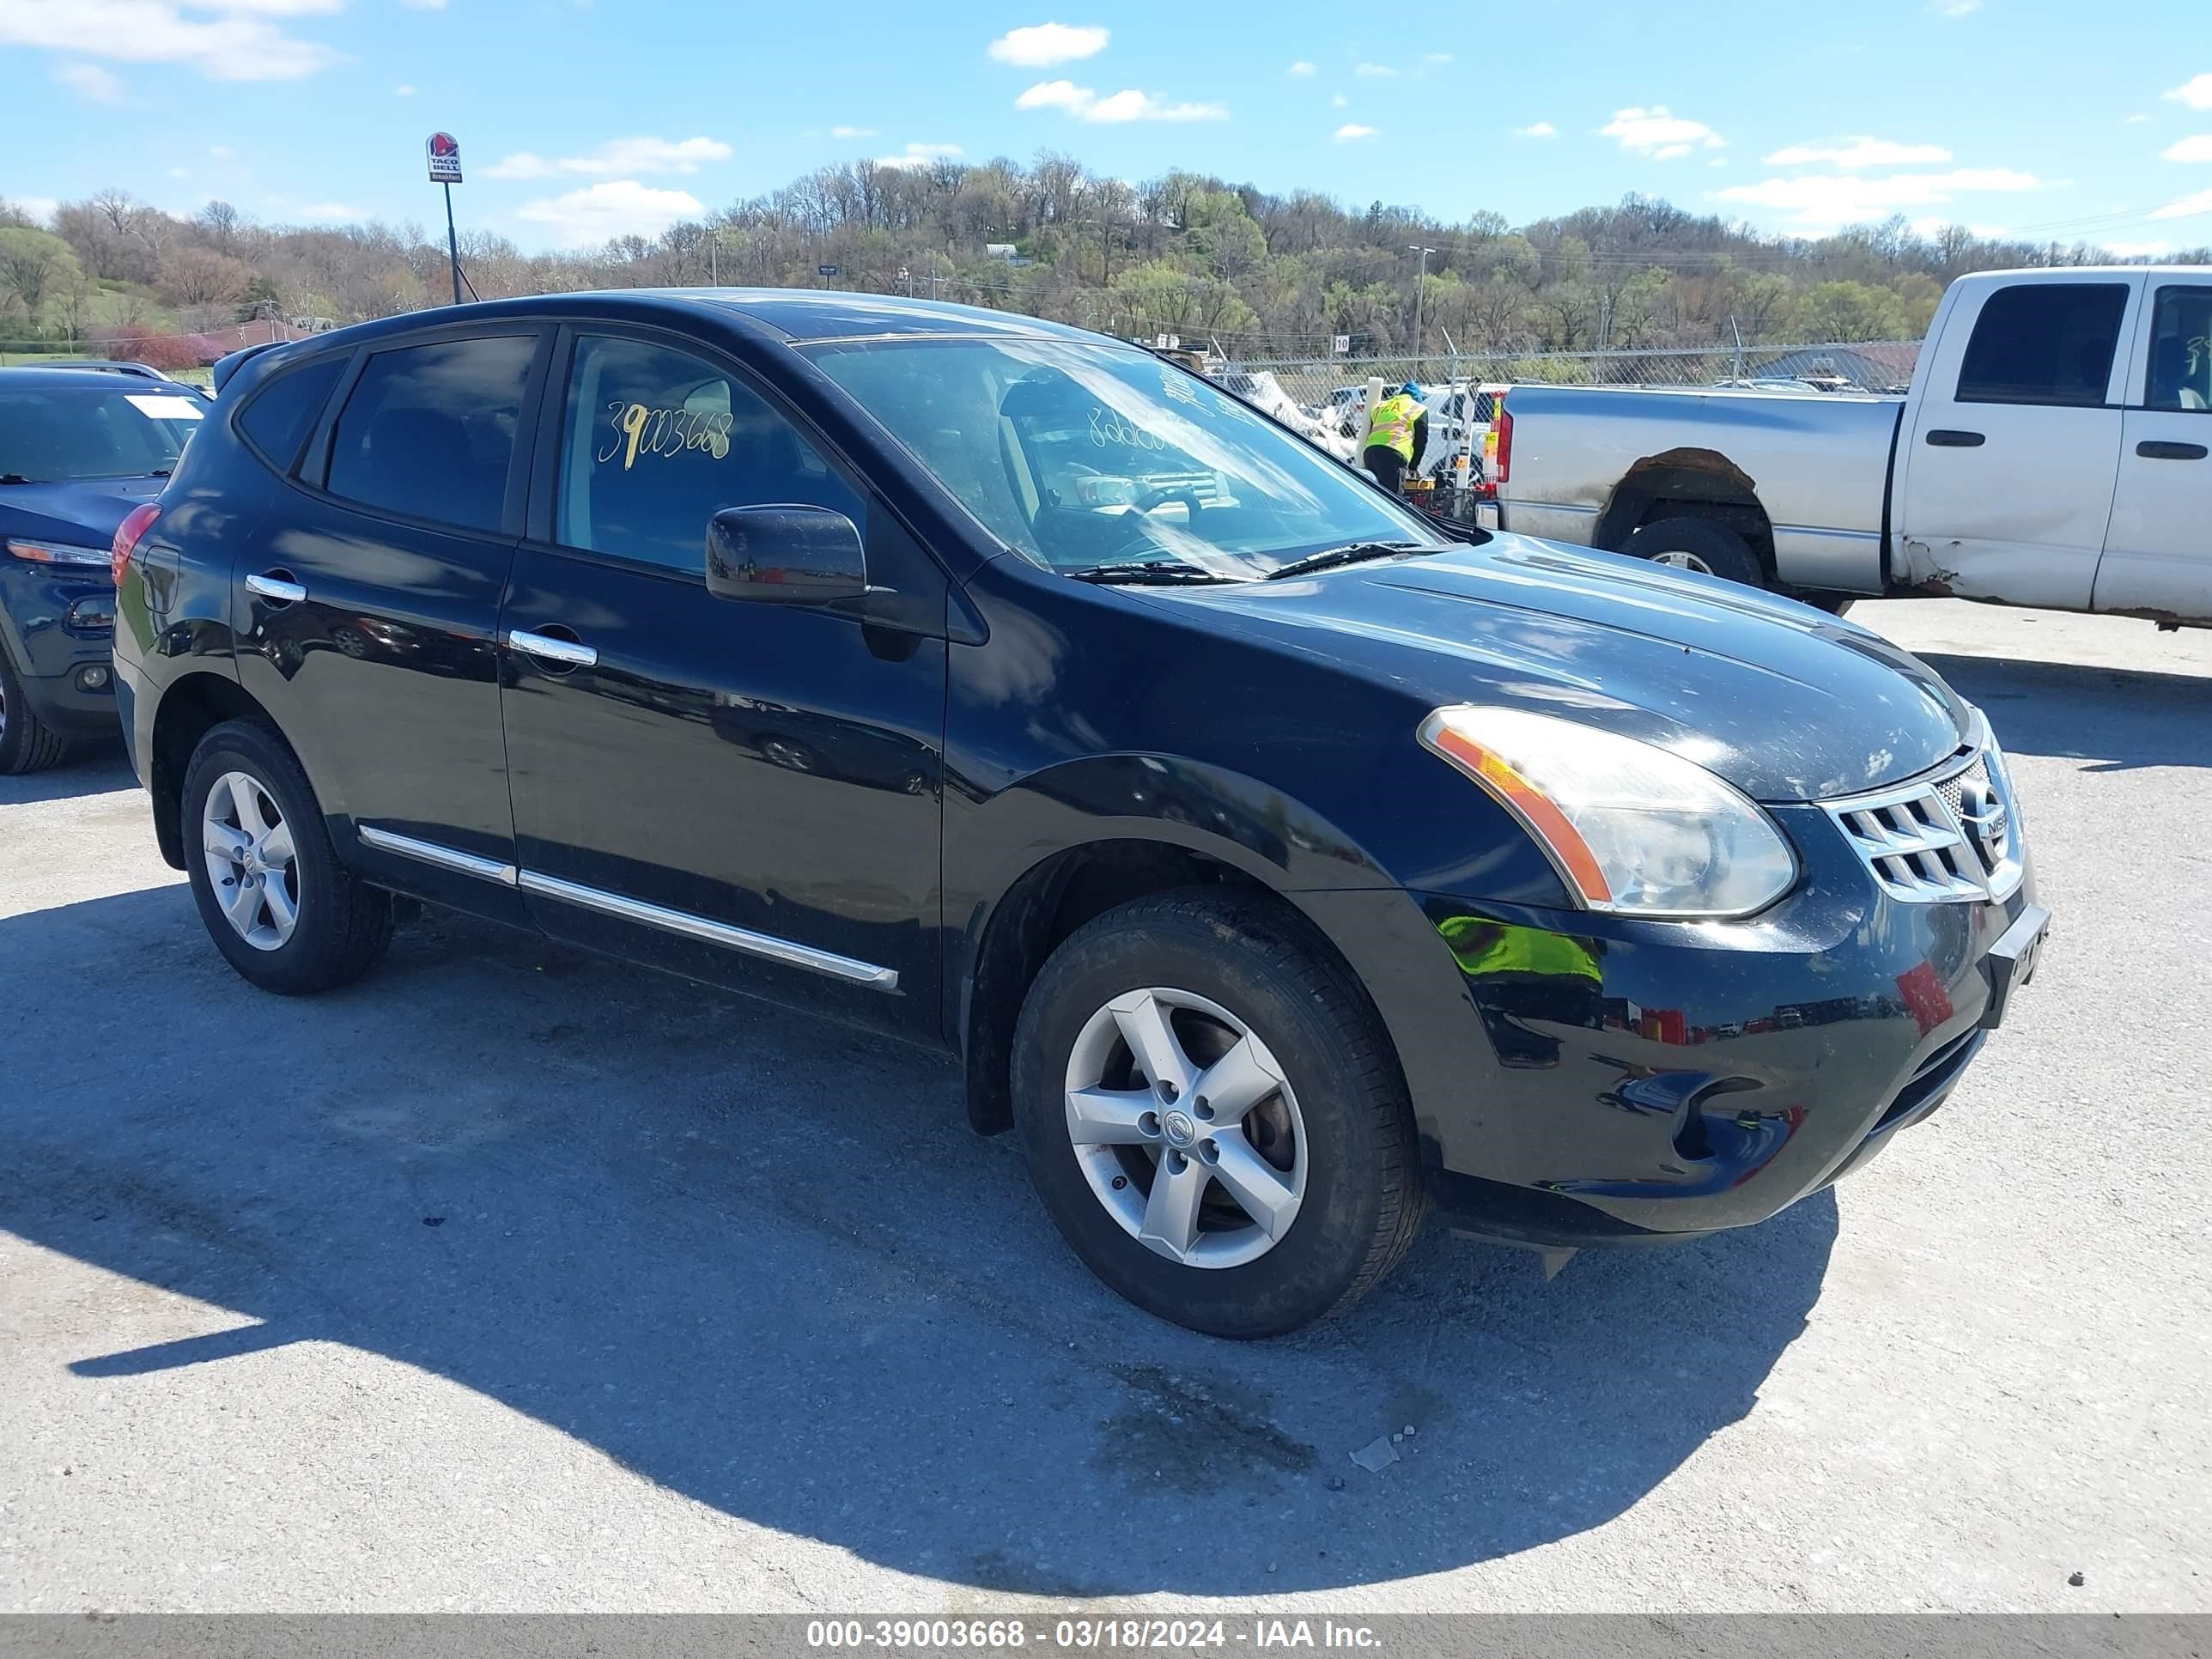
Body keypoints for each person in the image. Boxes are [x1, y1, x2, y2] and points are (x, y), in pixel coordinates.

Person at [1360, 381, 1428, 494]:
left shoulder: (1382, 405)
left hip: (1370, 452)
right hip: (1394, 452)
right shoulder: (1418, 408)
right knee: (1392, 497)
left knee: (1373, 492)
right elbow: (1421, 440)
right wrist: (1413, 466)